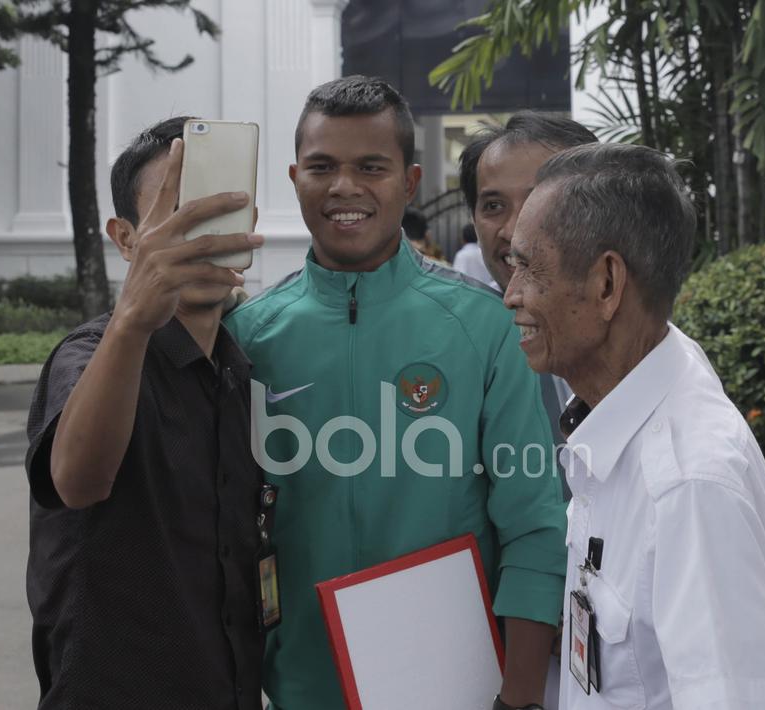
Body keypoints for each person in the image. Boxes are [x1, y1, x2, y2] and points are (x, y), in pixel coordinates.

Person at [225, 76, 566, 710]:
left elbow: (533, 527)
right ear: (294, 177)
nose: (344, 187)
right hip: (298, 691)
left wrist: (519, 699)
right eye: (322, 167)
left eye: (370, 167)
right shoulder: (245, 337)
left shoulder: (485, 328)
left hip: (460, 692)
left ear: (408, 183)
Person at [503, 142, 765, 709]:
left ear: (607, 285)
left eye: (527, 266)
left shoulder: (690, 487)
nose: (510, 293)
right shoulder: (630, 399)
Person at [24, 117, 267, 709]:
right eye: (176, 214)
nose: (199, 234)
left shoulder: (240, 371)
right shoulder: (91, 355)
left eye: (216, 212)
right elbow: (78, 480)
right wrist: (134, 317)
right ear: (127, 238)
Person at [459, 112, 598, 457]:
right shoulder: (452, 344)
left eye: (541, 202)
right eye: (493, 206)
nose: (515, 231)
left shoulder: (640, 347)